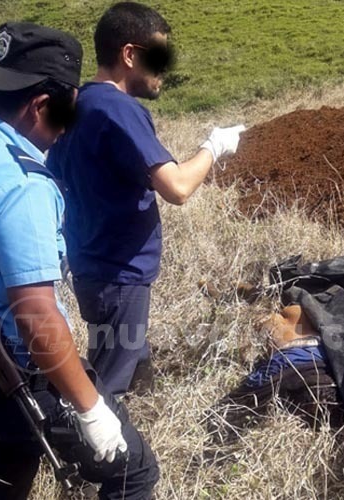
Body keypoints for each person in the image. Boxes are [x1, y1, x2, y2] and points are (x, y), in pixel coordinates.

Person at [0, 22, 158, 499]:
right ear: (42, 106)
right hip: (21, 374)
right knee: (133, 474)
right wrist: (91, 409)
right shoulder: (22, 183)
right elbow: (36, 314)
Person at [47, 2, 245, 397]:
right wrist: (214, 145)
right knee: (104, 391)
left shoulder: (77, 105)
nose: (163, 70)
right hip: (118, 272)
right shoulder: (118, 109)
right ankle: (109, 452)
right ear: (130, 55)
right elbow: (177, 188)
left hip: (93, 265)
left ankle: (145, 417)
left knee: (131, 357)